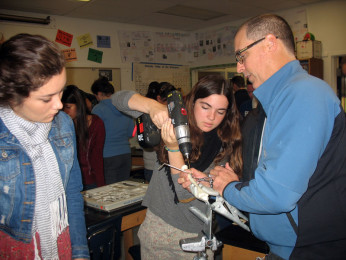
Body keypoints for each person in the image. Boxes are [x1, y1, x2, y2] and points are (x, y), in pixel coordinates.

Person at [180, 14, 346, 259]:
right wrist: (215, 183)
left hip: (309, 248)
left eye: (241, 56)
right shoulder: (273, 104)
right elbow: (270, 178)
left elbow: (276, 194)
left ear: (269, 43)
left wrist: (229, 188)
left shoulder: (304, 94)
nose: (239, 67)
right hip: (286, 246)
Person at [112, 74, 242, 259]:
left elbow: (185, 195)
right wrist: (154, 107)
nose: (211, 117)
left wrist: (173, 149)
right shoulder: (175, 120)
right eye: (205, 107)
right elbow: (118, 99)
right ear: (192, 102)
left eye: (220, 111)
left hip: (194, 237)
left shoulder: (224, 148)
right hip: (157, 230)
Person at [0, 34, 89, 259]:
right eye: (46, 98)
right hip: (15, 246)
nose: (59, 105)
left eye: (61, 92)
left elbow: (72, 193)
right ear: (12, 96)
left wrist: (79, 252)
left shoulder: (63, 125)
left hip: (61, 237)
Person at [91, 77, 135, 184]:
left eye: (96, 95)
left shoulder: (97, 109)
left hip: (107, 156)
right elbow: (130, 132)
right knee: (123, 189)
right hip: (125, 154)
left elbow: (93, 136)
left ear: (100, 94)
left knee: (110, 192)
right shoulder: (124, 107)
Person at [62, 85, 106, 190]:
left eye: (68, 107)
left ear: (79, 105)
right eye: (62, 108)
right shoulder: (62, 124)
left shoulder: (96, 123)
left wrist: (101, 186)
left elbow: (97, 158)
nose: (64, 112)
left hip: (90, 181)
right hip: (68, 182)